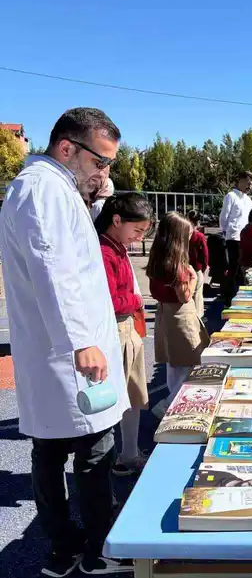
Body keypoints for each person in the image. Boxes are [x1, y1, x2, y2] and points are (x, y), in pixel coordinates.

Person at [0, 107, 131, 577]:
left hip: (53, 353)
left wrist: (95, 194)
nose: (104, 172)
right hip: (68, 352)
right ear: (67, 148)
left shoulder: (49, 187)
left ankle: (63, 549)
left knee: (49, 453)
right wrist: (81, 342)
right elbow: (54, 270)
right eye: (100, 162)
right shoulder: (43, 190)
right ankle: (100, 549)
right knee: (94, 451)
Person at [95, 193, 155, 476]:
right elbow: (107, 300)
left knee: (133, 397)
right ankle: (121, 459)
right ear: (116, 220)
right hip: (117, 331)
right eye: (138, 230)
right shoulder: (105, 251)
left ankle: (129, 453)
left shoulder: (116, 246)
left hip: (127, 329)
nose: (139, 237)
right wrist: (135, 300)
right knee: (119, 401)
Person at [147, 212, 210, 419]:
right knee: (188, 365)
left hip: (164, 313)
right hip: (181, 318)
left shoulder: (158, 259)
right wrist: (192, 278)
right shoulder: (178, 265)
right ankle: (169, 407)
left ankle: (170, 404)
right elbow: (184, 296)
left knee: (173, 366)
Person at [219, 171, 252, 305]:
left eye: (251, 184)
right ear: (240, 181)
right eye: (248, 183)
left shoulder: (247, 199)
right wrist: (226, 232)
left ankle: (239, 298)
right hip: (233, 239)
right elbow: (224, 217)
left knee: (242, 271)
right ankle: (228, 299)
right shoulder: (231, 196)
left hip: (245, 239)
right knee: (232, 269)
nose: (249, 186)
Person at [187, 210, 210, 319]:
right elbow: (205, 253)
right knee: (197, 294)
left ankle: (189, 314)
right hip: (196, 267)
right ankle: (198, 316)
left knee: (188, 293)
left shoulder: (183, 234)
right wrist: (205, 266)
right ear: (198, 222)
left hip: (185, 266)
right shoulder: (199, 236)